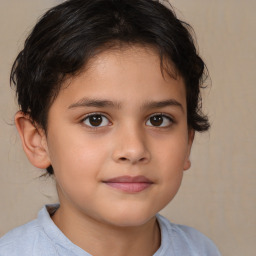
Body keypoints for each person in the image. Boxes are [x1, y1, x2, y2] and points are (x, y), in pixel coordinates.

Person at [0, 0, 221, 255]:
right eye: (95, 119)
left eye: (158, 119)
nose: (134, 149)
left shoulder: (201, 250)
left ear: (188, 141)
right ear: (37, 139)